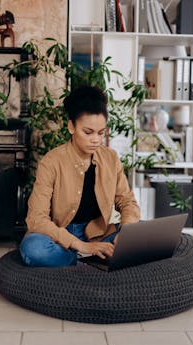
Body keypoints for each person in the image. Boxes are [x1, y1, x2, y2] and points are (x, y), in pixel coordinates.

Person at [20, 85, 140, 267]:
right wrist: (81, 246)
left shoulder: (111, 158)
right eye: (88, 132)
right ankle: (83, 260)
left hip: (97, 234)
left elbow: (127, 202)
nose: (96, 140)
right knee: (33, 249)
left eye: (101, 133)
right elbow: (36, 218)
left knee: (144, 234)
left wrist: (127, 231)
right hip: (58, 237)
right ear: (71, 127)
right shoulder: (51, 161)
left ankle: (85, 259)